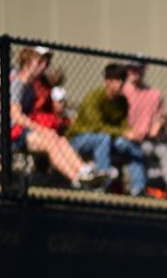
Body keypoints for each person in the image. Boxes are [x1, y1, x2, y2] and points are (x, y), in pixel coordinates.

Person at [9, 47, 104, 188]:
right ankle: (76, 178)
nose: (44, 66)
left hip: (28, 130)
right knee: (50, 142)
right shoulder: (18, 83)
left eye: (46, 62)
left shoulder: (34, 85)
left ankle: (84, 170)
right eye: (40, 61)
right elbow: (16, 116)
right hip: (14, 134)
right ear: (28, 61)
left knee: (60, 139)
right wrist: (42, 130)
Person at [67, 63, 148, 196]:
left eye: (123, 79)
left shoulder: (122, 101)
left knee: (131, 146)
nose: (120, 83)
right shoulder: (94, 96)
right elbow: (95, 126)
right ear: (107, 81)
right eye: (117, 79)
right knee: (103, 138)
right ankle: (102, 184)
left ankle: (138, 189)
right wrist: (122, 132)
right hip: (79, 138)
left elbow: (123, 126)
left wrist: (131, 134)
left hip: (109, 138)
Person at [123, 60, 167, 202]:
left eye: (137, 68)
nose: (134, 72)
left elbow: (161, 116)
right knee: (132, 150)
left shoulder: (154, 94)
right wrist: (128, 133)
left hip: (149, 141)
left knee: (164, 151)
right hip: (128, 141)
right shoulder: (122, 93)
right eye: (131, 68)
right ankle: (136, 190)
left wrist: (158, 124)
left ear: (144, 70)